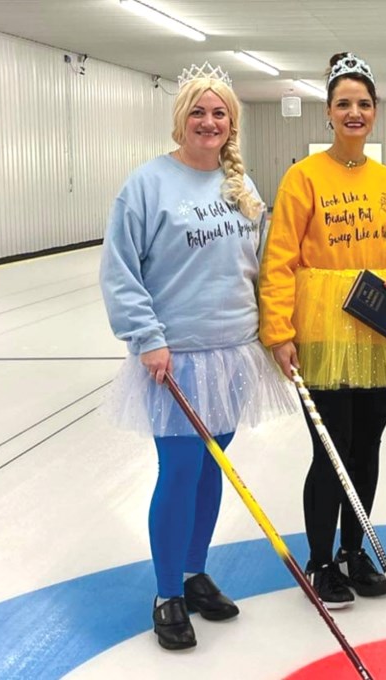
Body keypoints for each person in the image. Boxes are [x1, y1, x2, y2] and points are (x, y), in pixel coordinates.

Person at [99, 63, 296, 650]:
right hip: (176, 354)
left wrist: (274, 330)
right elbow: (121, 269)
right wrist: (147, 337)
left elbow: (259, 269)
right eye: (198, 111)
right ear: (180, 119)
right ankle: (166, 593)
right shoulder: (147, 184)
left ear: (232, 124)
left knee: (214, 468)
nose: (209, 122)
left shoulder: (243, 186)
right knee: (181, 470)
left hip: (234, 352)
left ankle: (193, 571)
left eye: (219, 113)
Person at [258, 53, 386, 609]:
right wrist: (278, 331)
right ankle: (320, 559)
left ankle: (356, 550)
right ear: (327, 113)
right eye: (343, 104)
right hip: (325, 329)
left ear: (375, 112)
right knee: (332, 447)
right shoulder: (303, 177)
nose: (354, 113)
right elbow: (279, 258)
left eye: (363, 104)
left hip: (381, 327)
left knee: (369, 444)